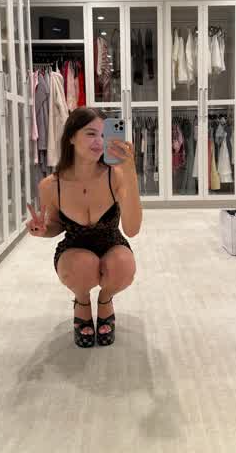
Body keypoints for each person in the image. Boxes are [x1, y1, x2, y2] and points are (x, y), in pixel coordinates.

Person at [27, 107, 142, 348]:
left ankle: (105, 300)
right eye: (91, 133)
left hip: (112, 242)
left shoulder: (116, 176)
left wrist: (130, 172)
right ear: (71, 137)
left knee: (123, 265)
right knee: (82, 265)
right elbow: (55, 225)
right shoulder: (51, 185)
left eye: (104, 135)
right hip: (73, 248)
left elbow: (132, 229)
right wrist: (42, 230)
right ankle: (82, 301)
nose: (99, 141)